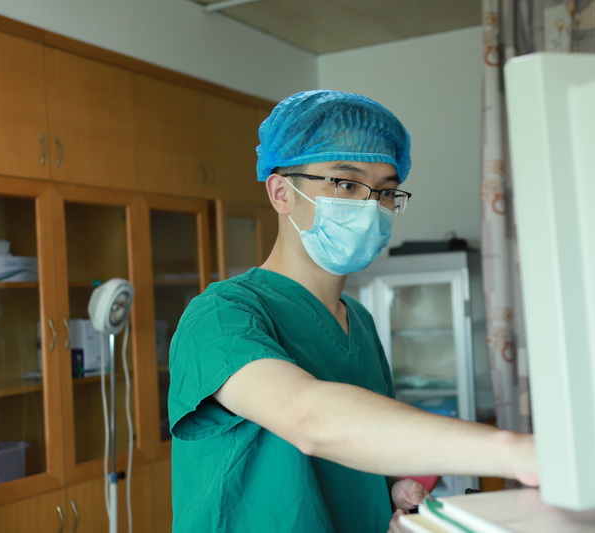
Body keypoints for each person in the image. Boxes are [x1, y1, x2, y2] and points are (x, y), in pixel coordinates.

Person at [168, 90, 538, 533]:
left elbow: (355, 439)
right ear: (281, 192)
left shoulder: (357, 320)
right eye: (345, 183)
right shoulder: (221, 315)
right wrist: (515, 452)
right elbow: (310, 418)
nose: (370, 206)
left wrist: (389, 489)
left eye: (386, 191)